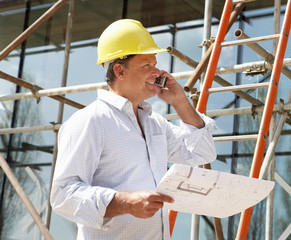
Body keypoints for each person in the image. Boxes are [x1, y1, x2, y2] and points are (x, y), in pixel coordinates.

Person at [50, 19, 218, 240]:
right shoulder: (90, 121)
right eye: (146, 65)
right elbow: (63, 195)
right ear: (119, 70)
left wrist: (181, 103)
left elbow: (201, 153)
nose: (157, 72)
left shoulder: (154, 123)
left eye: (155, 64)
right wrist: (124, 203)